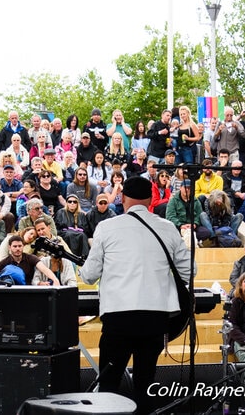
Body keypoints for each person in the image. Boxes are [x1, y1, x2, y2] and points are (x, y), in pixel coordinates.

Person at [79, 176, 194, 415]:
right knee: (145, 383)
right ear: (151, 199)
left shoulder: (107, 227)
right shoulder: (167, 227)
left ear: (121, 198)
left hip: (119, 317)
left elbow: (89, 276)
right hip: (155, 317)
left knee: (110, 383)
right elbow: (190, 271)